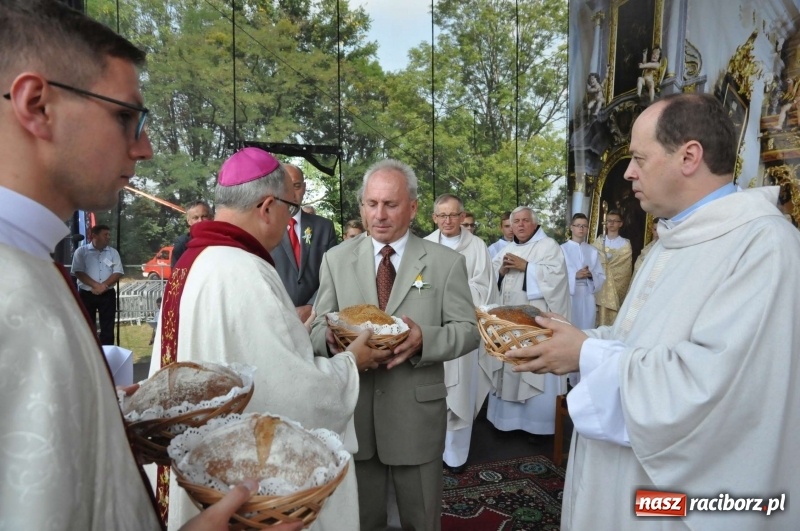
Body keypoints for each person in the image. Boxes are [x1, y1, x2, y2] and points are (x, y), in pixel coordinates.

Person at [0, 1, 296, 529]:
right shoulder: (10, 287)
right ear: (36, 105)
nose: (146, 147)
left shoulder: (31, 260)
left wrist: (102, 413)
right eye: (126, 116)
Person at [507, 93, 800, 530]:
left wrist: (585, 353)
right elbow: (636, 339)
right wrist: (576, 339)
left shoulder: (763, 247)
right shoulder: (673, 239)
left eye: (639, 158)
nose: (628, 172)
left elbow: (710, 389)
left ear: (689, 157)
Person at [149, 147, 381, 530]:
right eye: (290, 208)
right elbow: (294, 393)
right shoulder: (245, 271)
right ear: (268, 207)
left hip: (197, 469)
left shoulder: (193, 261)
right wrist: (351, 362)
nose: (290, 220)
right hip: (249, 490)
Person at [310, 159, 479, 531]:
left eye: (391, 204)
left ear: (413, 208)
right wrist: (329, 339)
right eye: (371, 204)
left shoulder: (446, 263)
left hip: (415, 418)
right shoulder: (336, 260)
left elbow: (469, 329)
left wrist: (424, 340)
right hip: (355, 417)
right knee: (361, 521)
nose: (379, 214)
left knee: (421, 520)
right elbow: (317, 325)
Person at [424, 194, 498, 473]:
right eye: (442, 215)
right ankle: (432, 451)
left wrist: (450, 293)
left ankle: (456, 456)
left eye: (453, 215)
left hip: (464, 327)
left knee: (461, 390)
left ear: (462, 216)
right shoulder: (425, 245)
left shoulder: (477, 246)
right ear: (434, 218)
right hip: (434, 328)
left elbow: (485, 288)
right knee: (433, 388)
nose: (448, 220)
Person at [487, 206, 570, 436]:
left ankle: (538, 426)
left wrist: (527, 268)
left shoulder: (548, 246)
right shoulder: (507, 249)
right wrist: (501, 273)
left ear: (535, 223)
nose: (520, 225)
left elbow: (557, 279)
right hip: (508, 324)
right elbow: (490, 279)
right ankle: (506, 422)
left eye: (525, 220)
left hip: (535, 324)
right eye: (516, 222)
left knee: (534, 368)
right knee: (509, 364)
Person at [271, 163, 337, 323]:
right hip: (275, 318)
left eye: (296, 186)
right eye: (285, 187)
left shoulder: (324, 228)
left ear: (304, 188)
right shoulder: (265, 227)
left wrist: (312, 306)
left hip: (316, 319)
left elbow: (333, 274)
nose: (291, 193)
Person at [560, 213, 605, 385]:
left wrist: (591, 275)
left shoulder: (592, 251)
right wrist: (574, 275)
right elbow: (556, 275)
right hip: (570, 296)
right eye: (578, 225)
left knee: (586, 334)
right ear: (571, 228)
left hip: (586, 295)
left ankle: (582, 377)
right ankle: (566, 378)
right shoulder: (562, 249)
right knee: (569, 331)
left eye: (584, 226)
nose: (581, 229)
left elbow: (601, 276)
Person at [71, 223, 124, 345]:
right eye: (105, 235)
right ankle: (89, 352)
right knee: (87, 326)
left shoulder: (113, 253)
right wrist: (95, 285)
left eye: (109, 235)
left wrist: (103, 286)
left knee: (108, 327)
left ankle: (107, 352)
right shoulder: (81, 252)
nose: (108, 237)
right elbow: (78, 272)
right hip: (87, 294)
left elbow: (118, 272)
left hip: (107, 294)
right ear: (94, 236)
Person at [591, 210, 632, 326]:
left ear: (621, 224)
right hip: (599, 285)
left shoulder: (625, 245)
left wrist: (608, 268)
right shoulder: (598, 242)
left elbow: (624, 270)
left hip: (616, 284)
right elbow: (592, 263)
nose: (611, 223)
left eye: (615, 221)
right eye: (609, 220)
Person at [171, 200, 212, 267]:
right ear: (189, 221)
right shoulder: (182, 243)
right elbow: (176, 271)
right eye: (195, 218)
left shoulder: (219, 241)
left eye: (204, 216)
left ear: (211, 218)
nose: (200, 221)